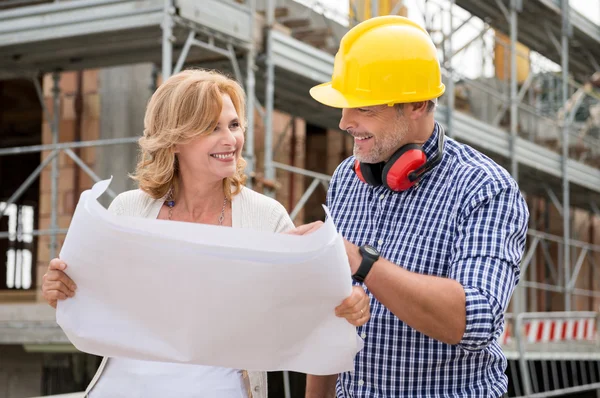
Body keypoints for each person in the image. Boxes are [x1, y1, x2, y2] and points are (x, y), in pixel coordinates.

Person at [41, 69, 371, 398]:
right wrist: (64, 292)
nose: (231, 140)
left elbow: (305, 313)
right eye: (212, 128)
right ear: (174, 139)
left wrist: (345, 304)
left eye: (234, 125)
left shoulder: (266, 218)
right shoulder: (127, 211)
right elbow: (98, 311)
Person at [290, 16, 529, 397]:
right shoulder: (346, 180)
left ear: (417, 104)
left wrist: (362, 262)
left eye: (364, 109)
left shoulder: (485, 188)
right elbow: (330, 323)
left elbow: (474, 321)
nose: (344, 122)